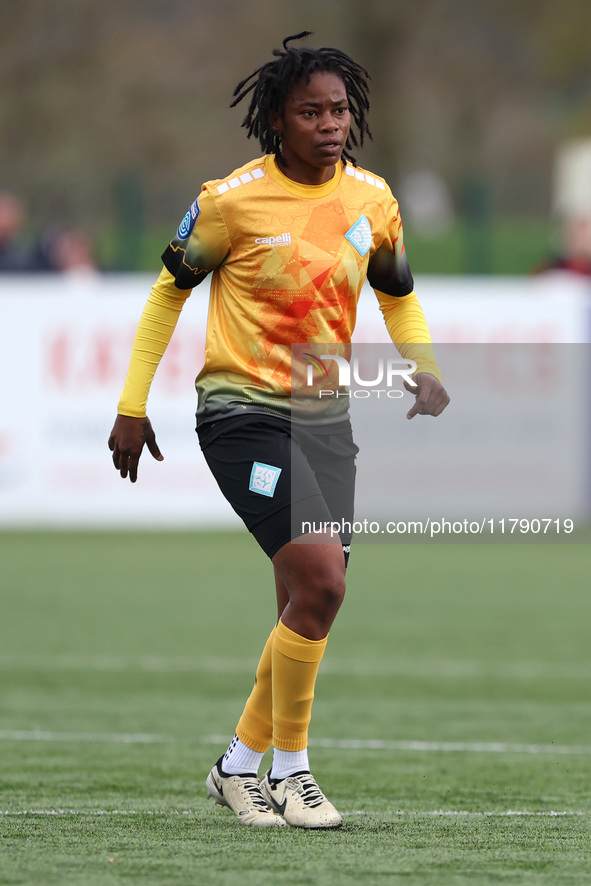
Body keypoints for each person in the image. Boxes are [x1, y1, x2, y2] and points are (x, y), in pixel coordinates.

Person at [108, 32, 449, 830]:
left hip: (327, 420)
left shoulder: (372, 200)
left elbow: (396, 291)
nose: (330, 124)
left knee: (308, 600)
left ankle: (254, 769)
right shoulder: (230, 202)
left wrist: (423, 363)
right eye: (310, 111)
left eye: (338, 110)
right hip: (242, 418)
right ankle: (268, 770)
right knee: (324, 581)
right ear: (275, 119)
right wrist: (131, 405)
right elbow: (166, 295)